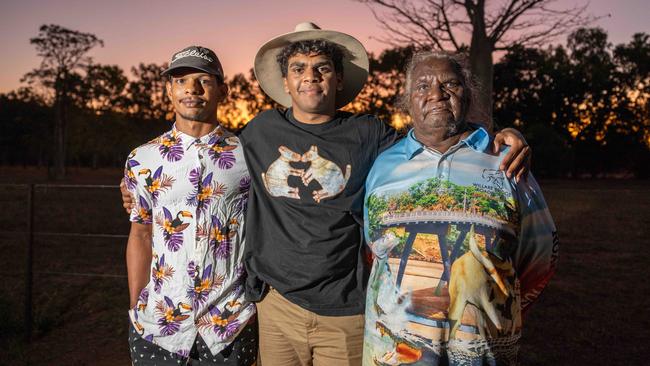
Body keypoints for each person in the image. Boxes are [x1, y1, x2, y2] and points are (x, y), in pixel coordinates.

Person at [122, 23, 530, 366]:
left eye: (322, 68)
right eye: (298, 68)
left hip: (346, 312)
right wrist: (137, 191)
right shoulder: (259, 133)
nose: (310, 76)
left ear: (338, 79)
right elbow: (201, 166)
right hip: (276, 307)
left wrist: (492, 138)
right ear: (285, 82)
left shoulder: (368, 135)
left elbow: (430, 139)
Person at [362, 51, 558, 365]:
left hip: (483, 352)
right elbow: (373, 249)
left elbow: (540, 257)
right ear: (408, 101)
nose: (436, 94)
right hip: (395, 353)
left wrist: (496, 307)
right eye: (423, 87)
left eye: (450, 84)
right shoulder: (384, 166)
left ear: (468, 93)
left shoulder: (506, 161)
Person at [124, 46, 257, 365]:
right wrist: (135, 306)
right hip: (158, 326)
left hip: (230, 323)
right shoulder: (142, 159)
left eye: (204, 80)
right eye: (181, 80)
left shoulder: (249, 155)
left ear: (223, 90)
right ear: (169, 89)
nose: (192, 89)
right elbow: (140, 234)